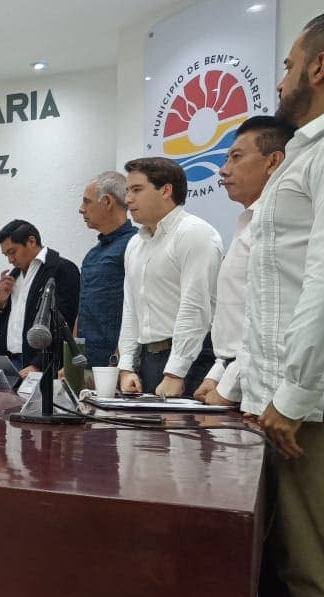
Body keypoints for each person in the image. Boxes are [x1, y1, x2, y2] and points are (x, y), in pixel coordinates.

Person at [240, 14, 324, 597]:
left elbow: (323, 286)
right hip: (280, 401)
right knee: (299, 583)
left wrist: (291, 396)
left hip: (309, 411)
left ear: (321, 67)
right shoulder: (303, 157)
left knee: (315, 584)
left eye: (292, 60)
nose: (283, 74)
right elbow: (270, 300)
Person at [193, 117, 293, 407]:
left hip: (266, 386)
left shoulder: (276, 223)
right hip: (237, 375)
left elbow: (265, 322)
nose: (223, 170)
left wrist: (228, 388)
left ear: (273, 161)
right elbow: (235, 323)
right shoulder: (249, 222)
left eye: (236, 157)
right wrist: (217, 373)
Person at [116, 158, 221, 397]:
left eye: (137, 190)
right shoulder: (135, 243)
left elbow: (194, 307)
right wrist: (126, 367)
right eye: (127, 191)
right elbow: (131, 309)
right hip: (146, 359)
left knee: (184, 434)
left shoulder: (194, 233)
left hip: (191, 358)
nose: (128, 199)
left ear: (166, 190)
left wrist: (175, 373)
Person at [0, 219, 81, 375]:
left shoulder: (62, 269)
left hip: (38, 365)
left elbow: (64, 323)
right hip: (8, 363)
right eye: (6, 255)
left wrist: (38, 364)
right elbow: (3, 327)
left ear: (31, 241)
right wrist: (1, 303)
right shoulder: (13, 276)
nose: (10, 260)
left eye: (13, 252)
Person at [76, 172, 136, 368]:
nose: (81, 209)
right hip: (87, 362)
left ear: (107, 201)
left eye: (87, 202)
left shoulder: (135, 245)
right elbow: (84, 308)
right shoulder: (93, 254)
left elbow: (137, 308)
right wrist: (72, 358)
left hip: (117, 364)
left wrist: (121, 360)